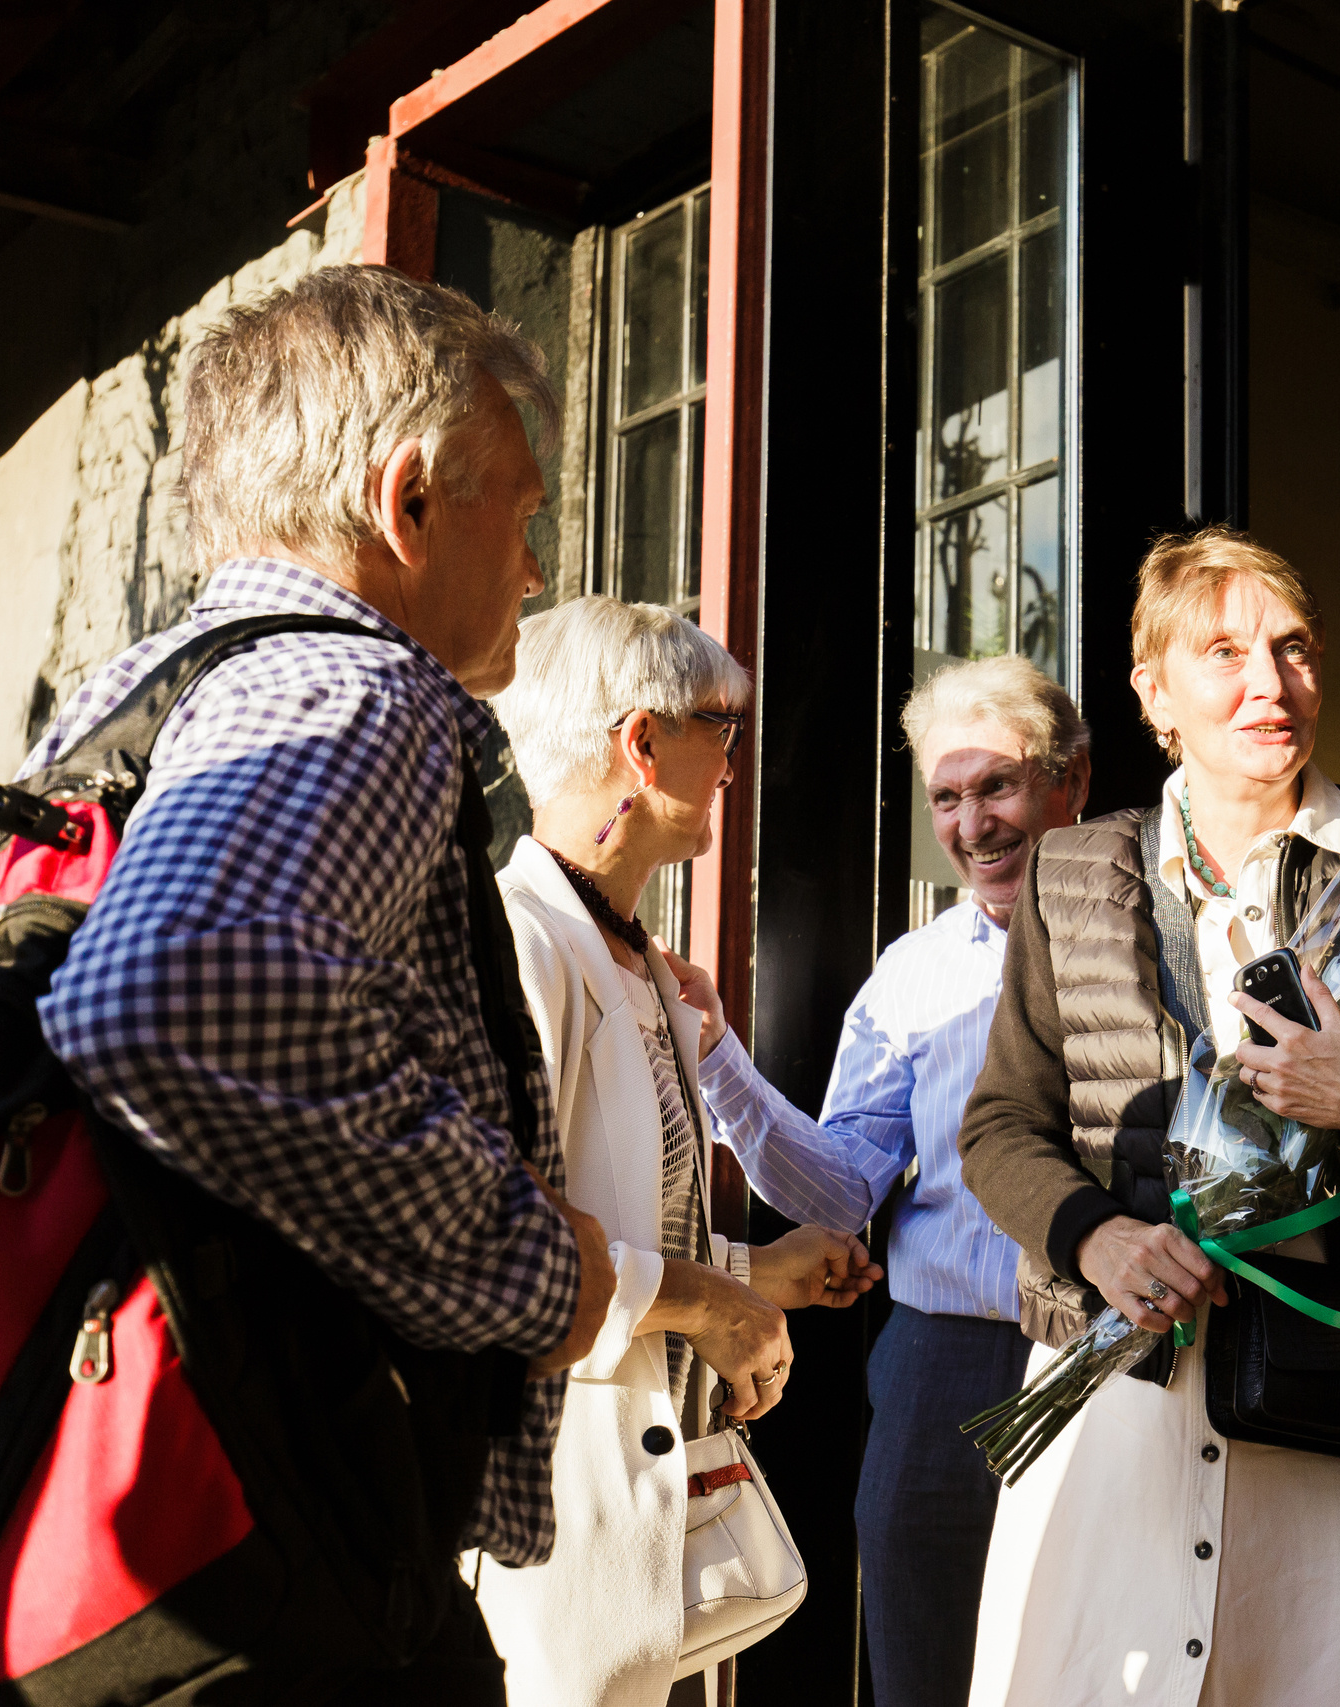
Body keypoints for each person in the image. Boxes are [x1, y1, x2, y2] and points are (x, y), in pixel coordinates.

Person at [28, 265, 617, 1701]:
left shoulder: (152, 703)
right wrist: (539, 1269)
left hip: (141, 1546)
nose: (536, 567)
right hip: (282, 1567)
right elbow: (166, 990)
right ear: (408, 499)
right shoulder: (352, 687)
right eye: (525, 511)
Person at [957, 527, 1340, 1707]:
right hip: (1124, 1396)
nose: (1269, 684)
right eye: (1223, 652)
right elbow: (1001, 1127)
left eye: (1294, 648)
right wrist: (1096, 1238)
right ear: (1153, 691)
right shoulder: (1070, 873)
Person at [476, 595, 881, 1705]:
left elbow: (616, 1228)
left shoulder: (640, 961)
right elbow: (500, 1233)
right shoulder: (523, 938)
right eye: (722, 728)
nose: (735, 761)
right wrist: (713, 1301)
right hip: (554, 1522)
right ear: (639, 741)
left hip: (648, 1534)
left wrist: (755, 1278)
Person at [705, 651, 1092, 1707]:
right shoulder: (914, 972)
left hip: (1115, 1357)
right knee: (925, 1673)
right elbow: (837, 1193)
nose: (974, 825)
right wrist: (717, 1064)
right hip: (941, 1371)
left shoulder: (1159, 945)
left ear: (1073, 781)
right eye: (947, 798)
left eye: (999, 786)